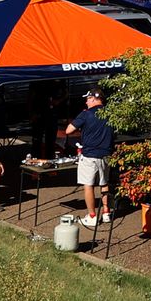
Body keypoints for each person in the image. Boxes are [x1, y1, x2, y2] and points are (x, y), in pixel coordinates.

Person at [63, 89, 114, 227]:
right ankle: (106, 212)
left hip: (90, 155)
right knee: (104, 183)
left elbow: (68, 130)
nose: (86, 101)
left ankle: (92, 216)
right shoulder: (111, 113)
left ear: (94, 99)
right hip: (106, 154)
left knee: (88, 185)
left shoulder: (86, 114)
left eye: (87, 98)